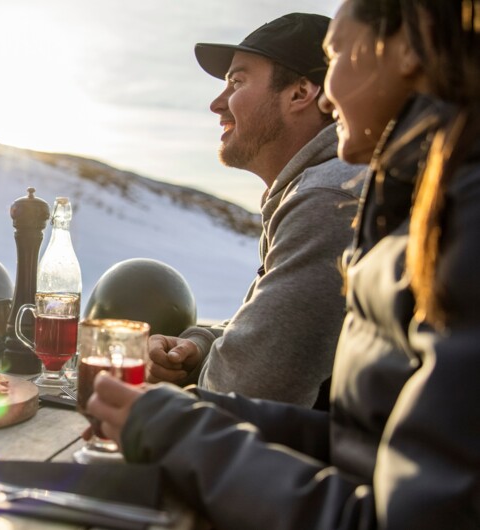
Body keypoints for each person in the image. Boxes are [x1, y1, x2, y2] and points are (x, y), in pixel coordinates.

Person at [87, 0, 480, 527]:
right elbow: (361, 441)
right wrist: (193, 374)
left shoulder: (338, 195)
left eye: (338, 56)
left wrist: (177, 426)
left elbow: (257, 381)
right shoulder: (403, 193)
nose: (331, 97)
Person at [147, 13, 364, 409]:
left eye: (237, 82)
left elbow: (247, 386)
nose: (217, 103)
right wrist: (200, 346)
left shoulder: (329, 195)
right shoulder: (315, 186)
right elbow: (268, 334)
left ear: (301, 93)